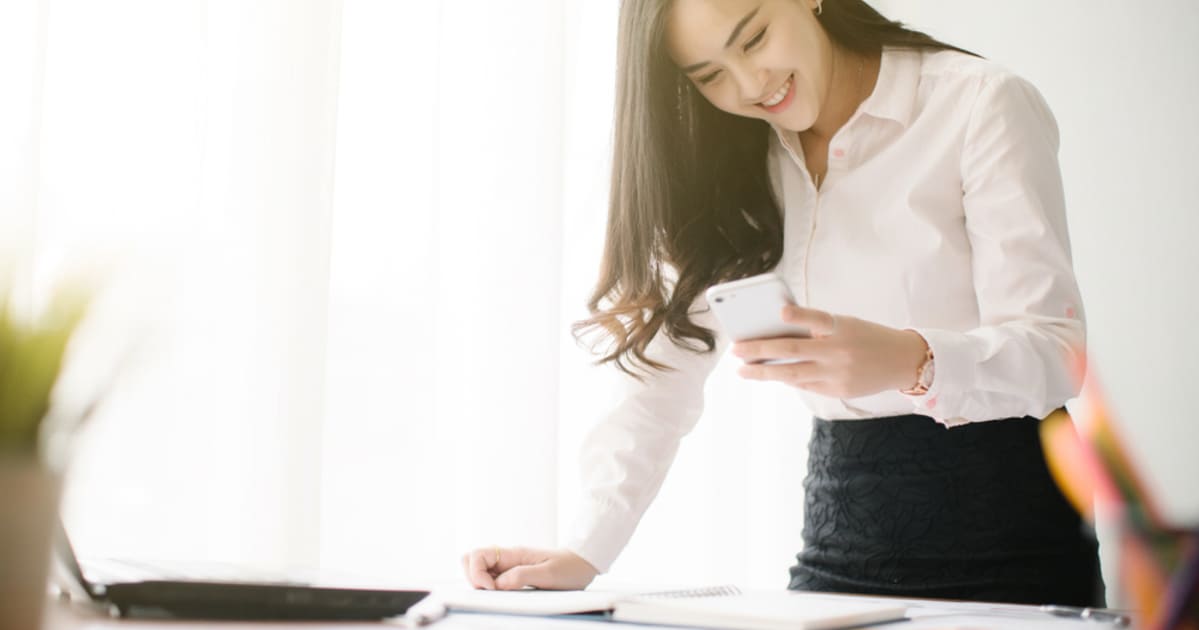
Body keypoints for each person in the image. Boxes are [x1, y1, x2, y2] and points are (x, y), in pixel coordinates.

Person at [462, 0, 1103, 606]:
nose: (750, 84)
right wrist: (582, 550)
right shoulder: (728, 159)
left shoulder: (979, 105)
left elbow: (1056, 352)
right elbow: (660, 387)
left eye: (755, 37)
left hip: (1013, 538)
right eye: (710, 73)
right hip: (838, 542)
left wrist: (911, 360)